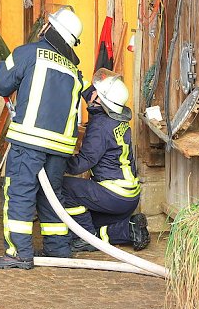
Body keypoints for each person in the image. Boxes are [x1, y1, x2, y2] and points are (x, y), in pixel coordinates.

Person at [0, 6, 84, 270]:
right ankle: (57, 251)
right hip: (60, 148)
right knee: (51, 198)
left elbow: (0, 83)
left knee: (20, 193)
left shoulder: (27, 53)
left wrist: (1, 70)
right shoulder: (76, 71)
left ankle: (19, 253)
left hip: (29, 141)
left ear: (49, 29)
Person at [58, 68, 150, 253]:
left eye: (95, 92)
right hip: (128, 198)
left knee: (63, 187)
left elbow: (82, 163)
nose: (91, 93)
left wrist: (57, 160)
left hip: (113, 196)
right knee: (90, 220)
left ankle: (85, 239)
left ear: (100, 101)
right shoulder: (117, 121)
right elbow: (90, 94)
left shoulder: (100, 126)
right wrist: (73, 74)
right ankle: (129, 229)